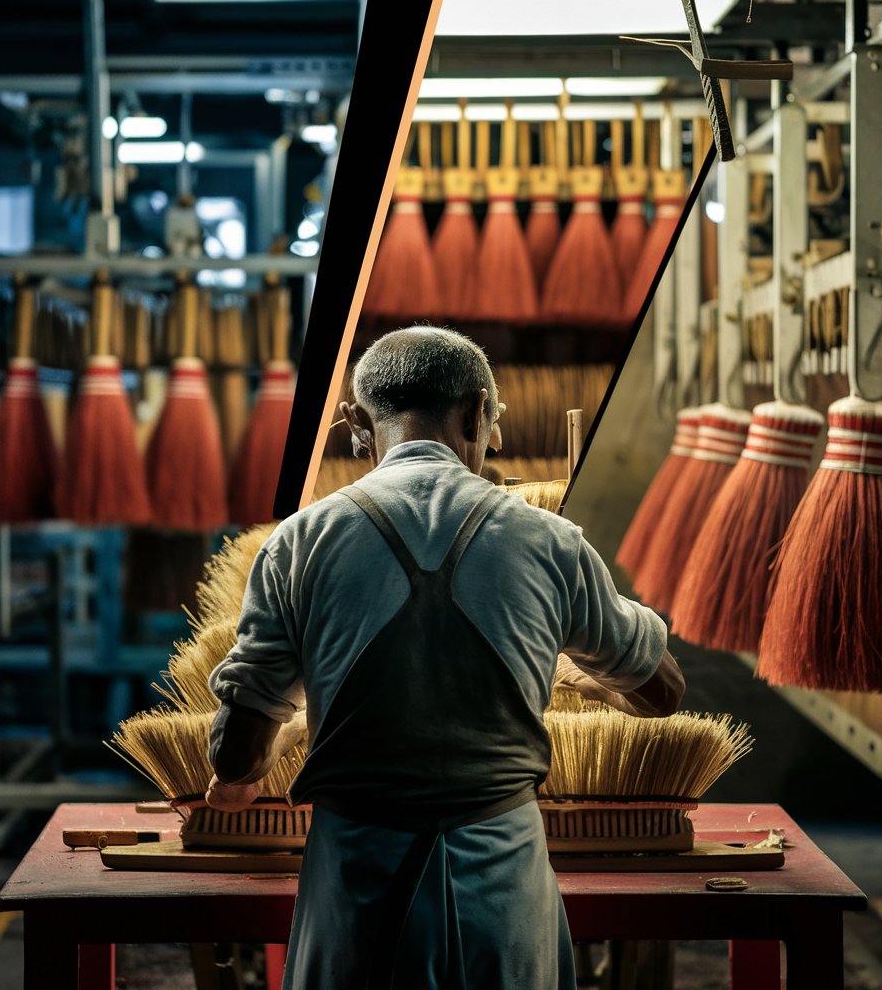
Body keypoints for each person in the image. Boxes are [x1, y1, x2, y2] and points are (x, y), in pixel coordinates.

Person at [207, 326, 684, 990]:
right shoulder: (551, 543)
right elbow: (662, 691)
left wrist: (282, 737)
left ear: (356, 422)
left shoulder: (298, 544)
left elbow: (235, 756)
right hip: (502, 891)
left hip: (356, 893)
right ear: (478, 414)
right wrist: (589, 670)